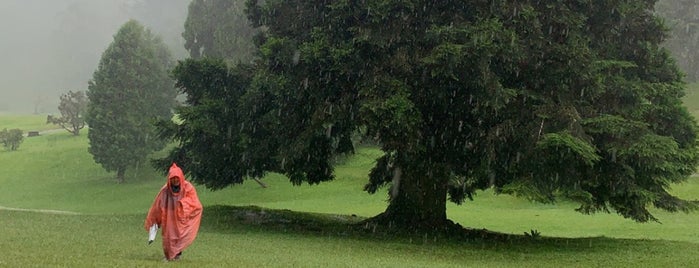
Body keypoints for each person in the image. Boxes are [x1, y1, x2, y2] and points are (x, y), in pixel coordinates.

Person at [145, 162, 203, 261]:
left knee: (180, 235)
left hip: (181, 217)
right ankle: (168, 256)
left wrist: (183, 205)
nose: (175, 180)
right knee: (168, 237)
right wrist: (155, 220)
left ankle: (177, 254)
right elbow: (158, 205)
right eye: (172, 179)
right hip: (169, 216)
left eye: (177, 178)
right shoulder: (165, 190)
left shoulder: (188, 188)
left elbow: (195, 203)